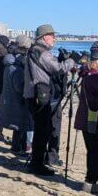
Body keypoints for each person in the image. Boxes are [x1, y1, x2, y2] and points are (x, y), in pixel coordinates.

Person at [24, 24, 76, 177]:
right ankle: (37, 165)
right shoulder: (41, 51)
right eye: (52, 35)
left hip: (34, 94)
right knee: (43, 130)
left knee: (42, 129)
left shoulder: (35, 50)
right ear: (44, 37)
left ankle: (37, 162)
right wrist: (72, 61)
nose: (54, 38)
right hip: (38, 95)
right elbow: (57, 69)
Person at [74, 42, 98, 194]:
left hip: (87, 119)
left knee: (94, 151)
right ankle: (90, 182)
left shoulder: (89, 74)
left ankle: (91, 181)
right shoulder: (95, 78)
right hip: (94, 121)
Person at [0, 35, 33, 156]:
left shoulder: (10, 62)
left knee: (19, 126)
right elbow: (19, 86)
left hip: (11, 99)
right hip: (18, 100)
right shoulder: (16, 66)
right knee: (22, 125)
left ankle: (17, 147)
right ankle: (21, 148)